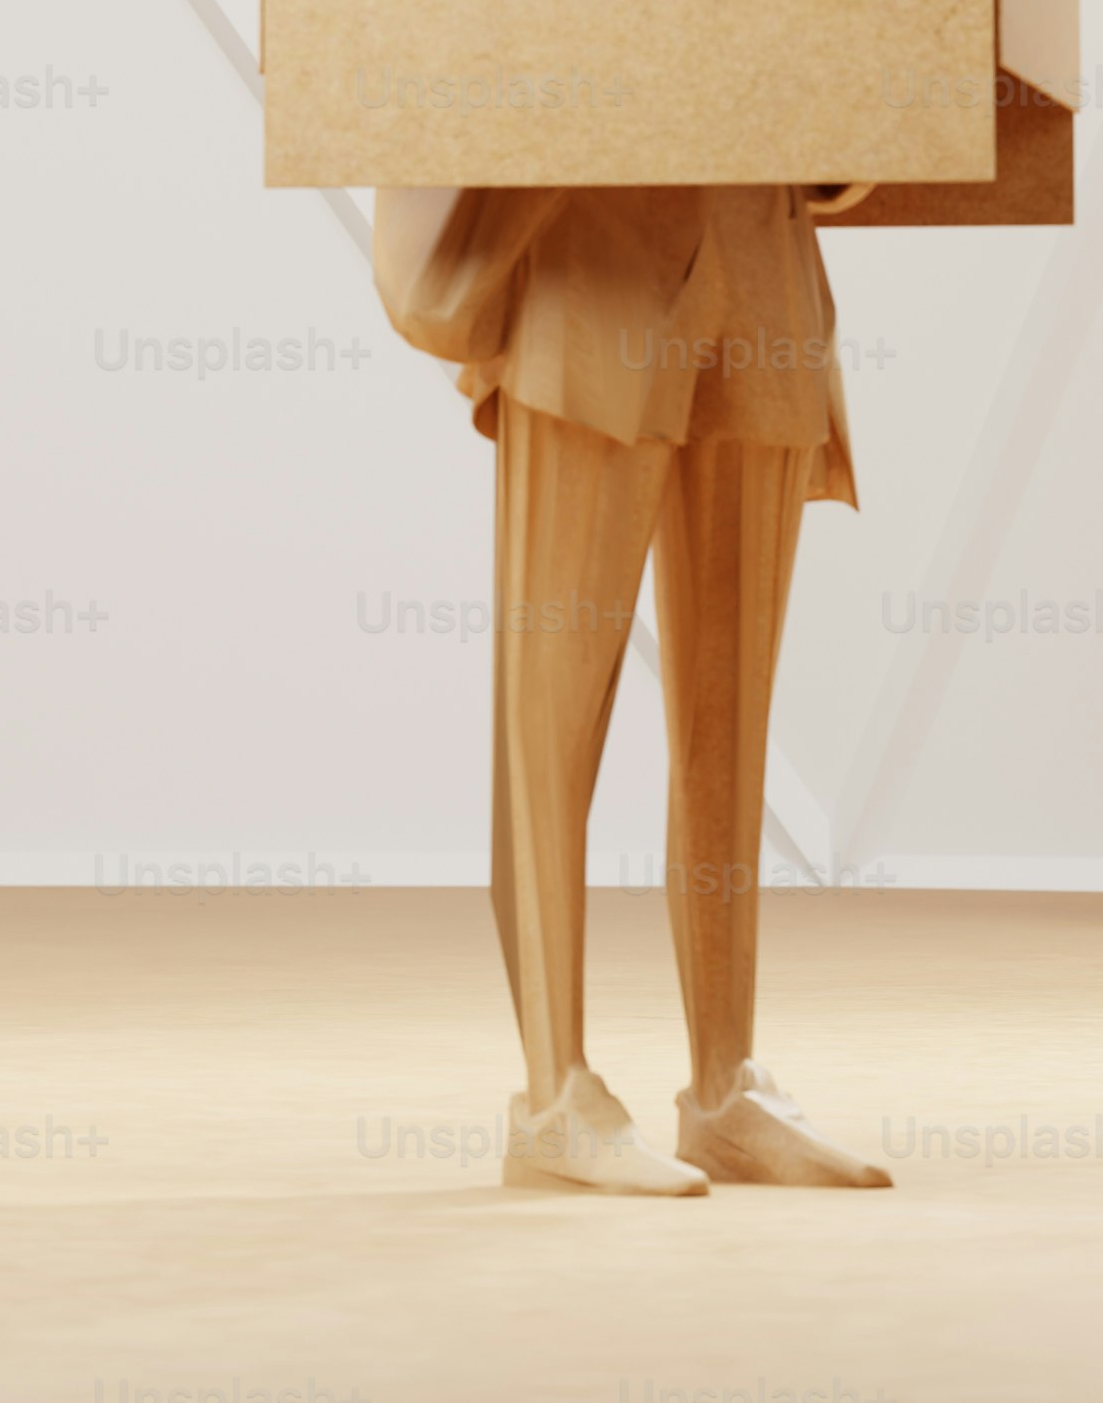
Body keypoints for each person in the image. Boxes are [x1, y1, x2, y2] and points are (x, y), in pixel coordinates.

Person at [375, 181, 902, 1199]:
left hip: (763, 275)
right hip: (595, 262)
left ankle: (723, 1089)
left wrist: (855, 129)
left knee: (731, 717)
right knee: (552, 713)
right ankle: (551, 1093)